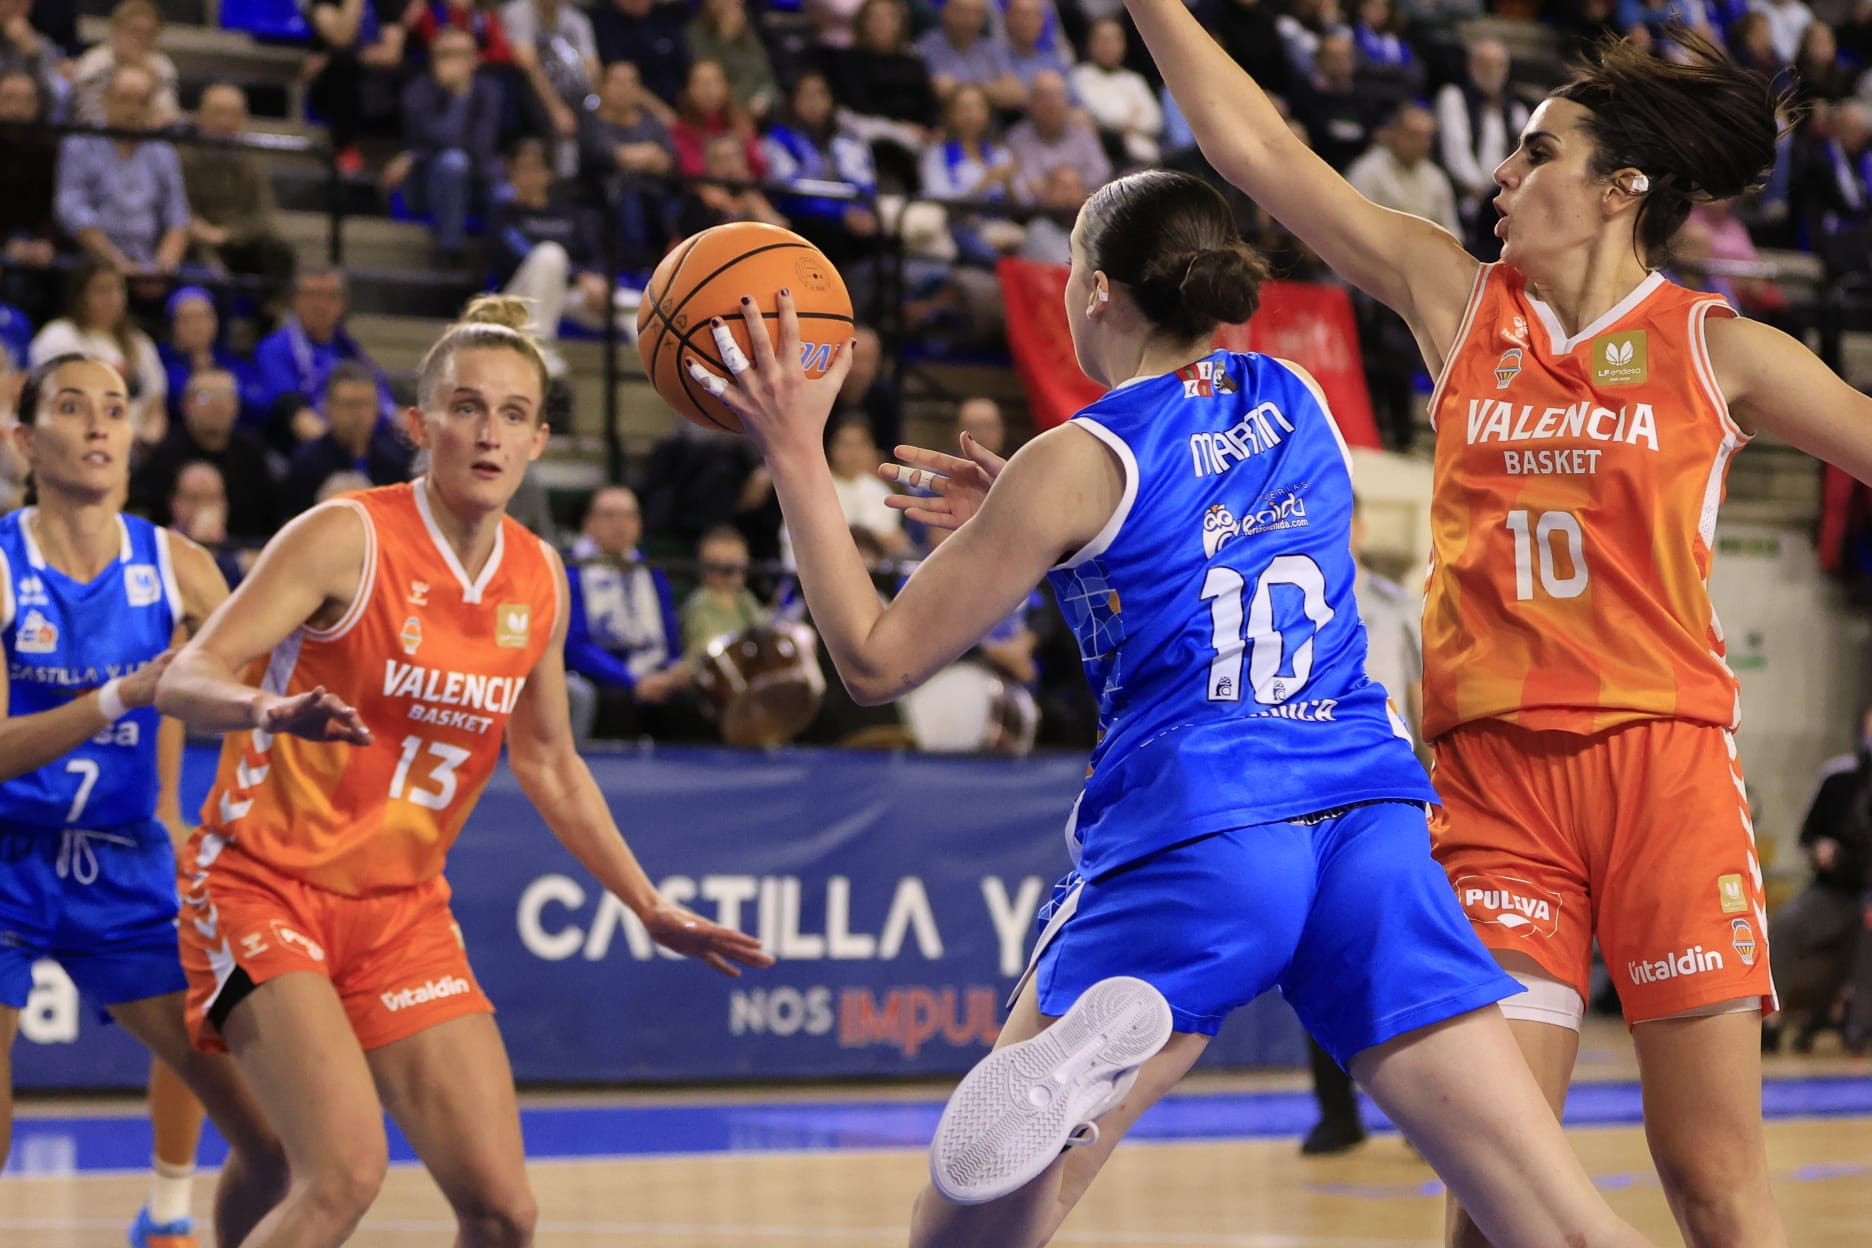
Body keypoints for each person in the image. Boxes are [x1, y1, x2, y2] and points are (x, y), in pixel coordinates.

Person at [686, 168, 1655, 1248]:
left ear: (1099, 289)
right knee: (1559, 1222)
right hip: (1367, 824)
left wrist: (795, 451)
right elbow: (1198, 534)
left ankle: (1086, 1068)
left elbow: (874, 661)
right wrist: (1038, 528)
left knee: (958, 1234)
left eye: (1069, 267)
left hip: (1206, 826)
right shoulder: (1299, 395)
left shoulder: (1074, 460)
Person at [1124, 6, 1872, 1243]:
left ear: (1621, 190)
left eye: (1537, 151)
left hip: (1666, 773)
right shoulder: (1459, 300)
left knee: (1711, 1180)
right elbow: (1258, 153)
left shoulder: (1714, 348)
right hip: (1497, 789)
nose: (1504, 172)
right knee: (1495, 1186)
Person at [153, 299, 769, 1248]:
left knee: (503, 1211)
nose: (489, 433)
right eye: (467, 408)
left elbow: (551, 763)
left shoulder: (541, 577)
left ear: (539, 442)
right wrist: (264, 708)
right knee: (339, 1175)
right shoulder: (345, 536)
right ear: (419, 425)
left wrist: (646, 903)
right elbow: (185, 677)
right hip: (260, 883)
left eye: (514, 414)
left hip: (399, 911)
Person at [0, 354, 287, 1246]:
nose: (97, 423)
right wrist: (120, 695)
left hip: (124, 858)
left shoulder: (180, 566)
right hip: (5, 853)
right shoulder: (4, 565)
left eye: (115, 408)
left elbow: (268, 695)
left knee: (274, 1144)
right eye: (72, 406)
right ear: (24, 441)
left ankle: (168, 1216)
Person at [1763, 705, 1872, 1053]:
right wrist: (1820, 849)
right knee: (1786, 923)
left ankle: (1856, 1025)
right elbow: (1807, 834)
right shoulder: (1838, 775)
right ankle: (1769, 1021)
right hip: (1834, 891)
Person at [28, 258, 166, 444]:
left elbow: (156, 406)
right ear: (81, 296)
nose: (113, 297)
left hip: (136, 443)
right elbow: (49, 401)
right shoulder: (60, 336)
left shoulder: (139, 342)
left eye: (118, 289)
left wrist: (147, 441)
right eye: (102, 290)